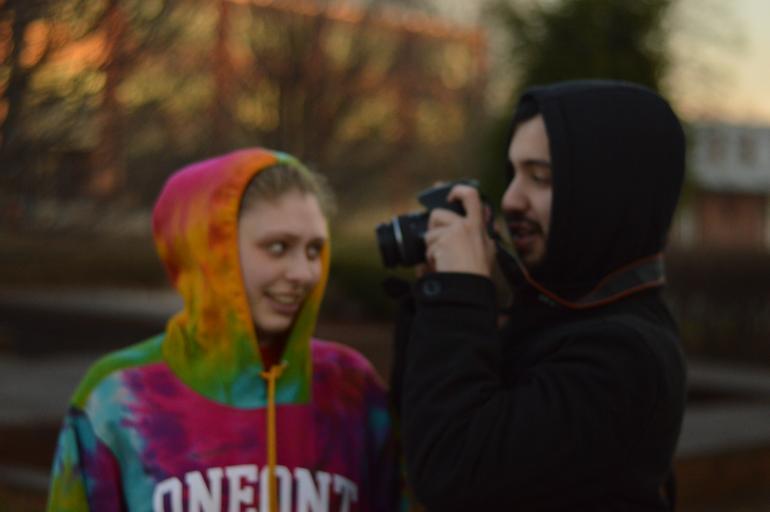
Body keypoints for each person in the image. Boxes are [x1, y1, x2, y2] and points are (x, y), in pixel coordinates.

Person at [47, 148, 398, 511]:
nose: (304, 273)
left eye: (314, 250)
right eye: (278, 247)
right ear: (210, 252)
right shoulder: (117, 396)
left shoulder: (351, 388)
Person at [390, 80, 687, 510]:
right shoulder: (559, 312)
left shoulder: (626, 358)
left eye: (541, 178)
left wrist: (457, 295)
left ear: (607, 192)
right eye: (513, 175)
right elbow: (421, 423)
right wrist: (435, 295)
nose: (511, 200)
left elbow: (449, 470)